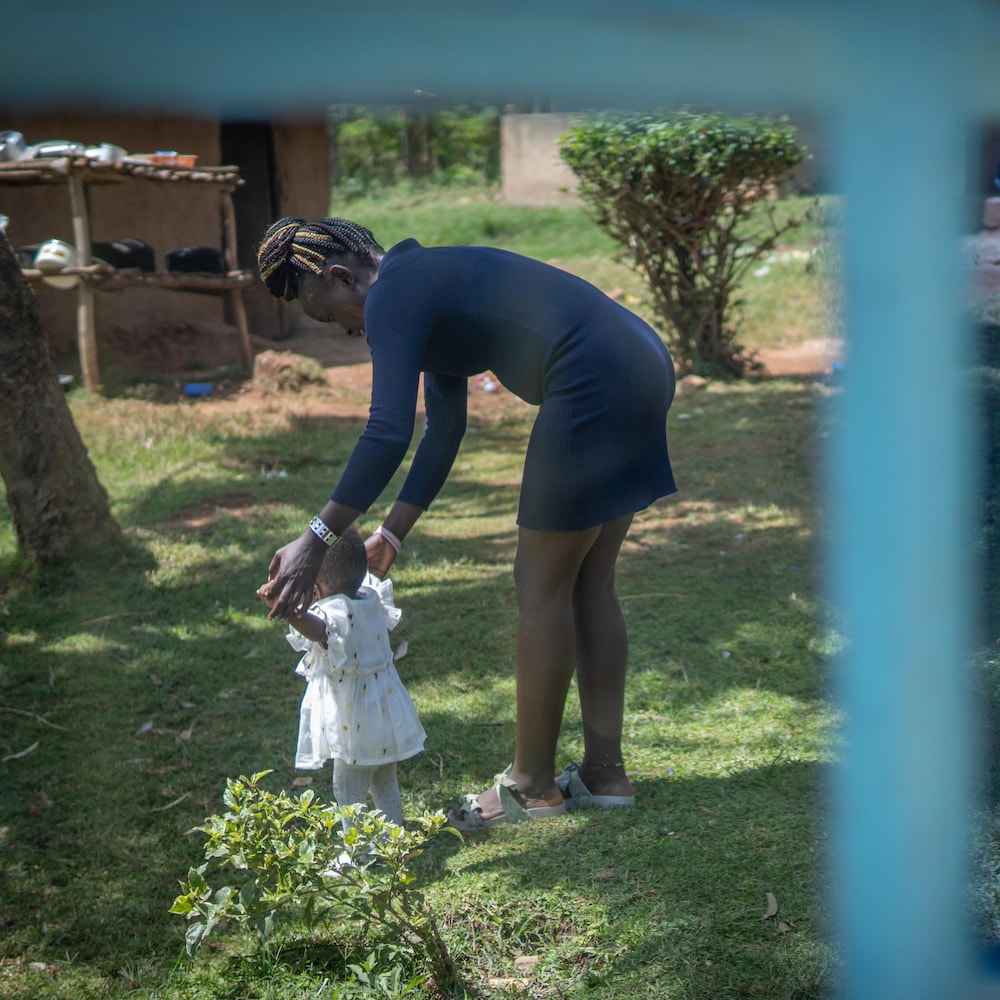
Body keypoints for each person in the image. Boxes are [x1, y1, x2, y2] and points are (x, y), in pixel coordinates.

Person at [256, 217, 677, 830]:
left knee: (541, 588)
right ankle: (603, 774)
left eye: (332, 316)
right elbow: (444, 424)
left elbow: (386, 430)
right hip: (639, 360)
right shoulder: (421, 278)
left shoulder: (395, 293)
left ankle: (530, 786)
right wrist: (393, 531)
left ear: (342, 276)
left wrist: (315, 539)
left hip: (591, 378)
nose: (348, 330)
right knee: (589, 584)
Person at [256, 526, 425, 828]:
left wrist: (287, 609)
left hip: (355, 724)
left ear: (315, 589)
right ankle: (395, 839)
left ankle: (356, 855)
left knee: (348, 791)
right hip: (386, 716)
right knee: (384, 779)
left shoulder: (333, 611)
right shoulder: (370, 598)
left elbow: (321, 630)